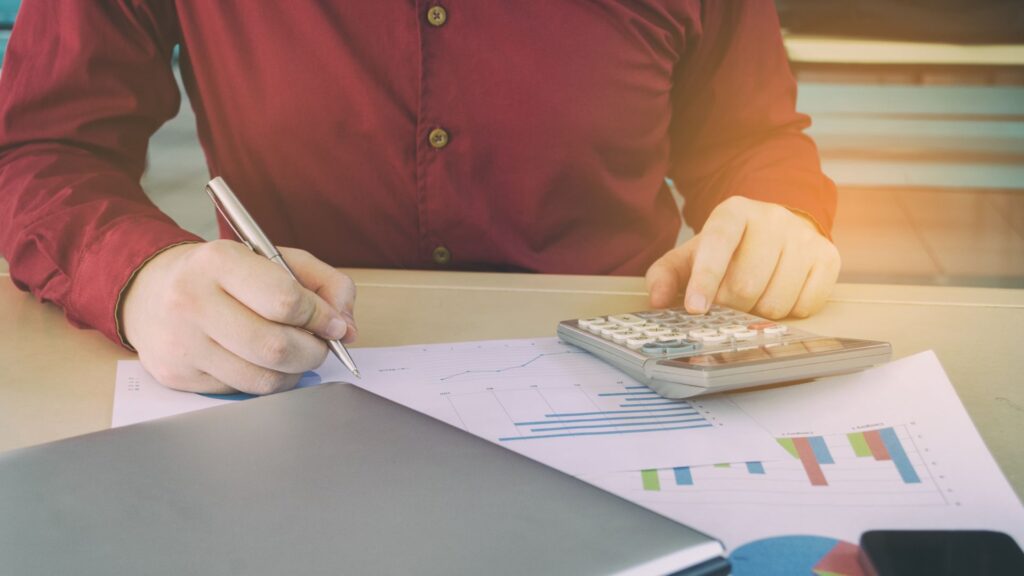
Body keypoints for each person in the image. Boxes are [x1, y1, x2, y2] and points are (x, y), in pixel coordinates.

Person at [0, 1, 839, 396]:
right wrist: (140, 275)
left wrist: (778, 215)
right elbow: (45, 147)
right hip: (290, 373)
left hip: (627, 375)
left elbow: (753, 142)